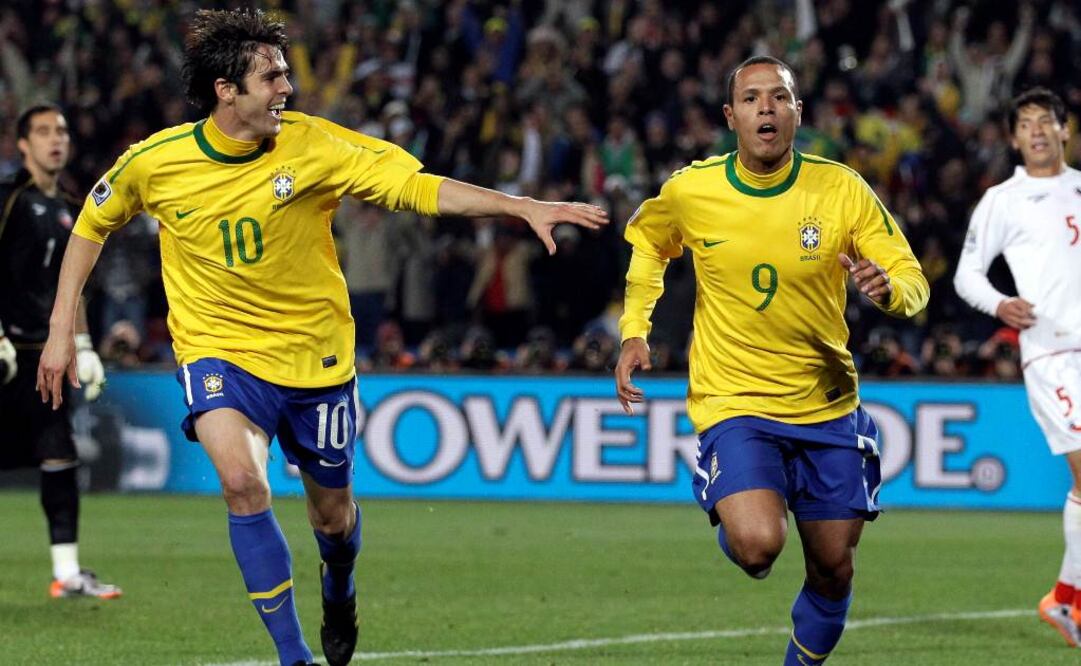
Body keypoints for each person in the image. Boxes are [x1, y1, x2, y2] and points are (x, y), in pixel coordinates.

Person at [36, 9, 606, 666]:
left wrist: (518, 206)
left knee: (332, 519)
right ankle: (294, 656)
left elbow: (414, 187)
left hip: (316, 359)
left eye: (285, 73)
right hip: (220, 352)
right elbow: (92, 223)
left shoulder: (315, 146)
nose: (287, 87)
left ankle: (340, 584)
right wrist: (61, 328)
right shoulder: (155, 162)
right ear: (226, 90)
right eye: (271, 77)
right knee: (242, 484)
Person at [614, 56, 928, 665]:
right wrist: (634, 330)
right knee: (758, 546)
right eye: (752, 98)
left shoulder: (840, 189)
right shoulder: (692, 190)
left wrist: (890, 290)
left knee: (833, 570)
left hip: (827, 406)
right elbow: (648, 241)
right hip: (736, 400)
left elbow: (911, 278)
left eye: (779, 97)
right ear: (730, 116)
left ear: (797, 113)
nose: (767, 107)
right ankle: (736, 512)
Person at [954, 87, 1081, 647]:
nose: (1036, 131)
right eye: (1025, 124)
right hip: (1053, 354)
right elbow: (966, 275)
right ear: (1013, 139)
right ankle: (1068, 600)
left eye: (1045, 121)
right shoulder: (1003, 200)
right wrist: (1000, 304)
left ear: (1064, 129)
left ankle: (1066, 599)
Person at [0, 104, 116, 600]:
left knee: (59, 454)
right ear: (23, 144)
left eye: (62, 132)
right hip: (5, 350)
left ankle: (67, 574)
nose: (56, 140)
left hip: (45, 355)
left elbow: (75, 287)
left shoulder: (72, 205)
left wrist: (83, 344)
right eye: (44, 132)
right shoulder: (9, 199)